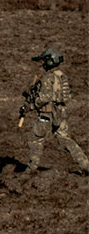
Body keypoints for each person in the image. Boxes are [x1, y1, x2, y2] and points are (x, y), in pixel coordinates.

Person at [18, 46, 88, 174]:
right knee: (65, 140)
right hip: (60, 113)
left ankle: (31, 168)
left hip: (46, 114)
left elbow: (44, 98)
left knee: (36, 140)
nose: (43, 64)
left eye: (45, 61)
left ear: (51, 61)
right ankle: (85, 164)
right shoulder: (61, 76)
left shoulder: (47, 78)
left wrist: (29, 107)